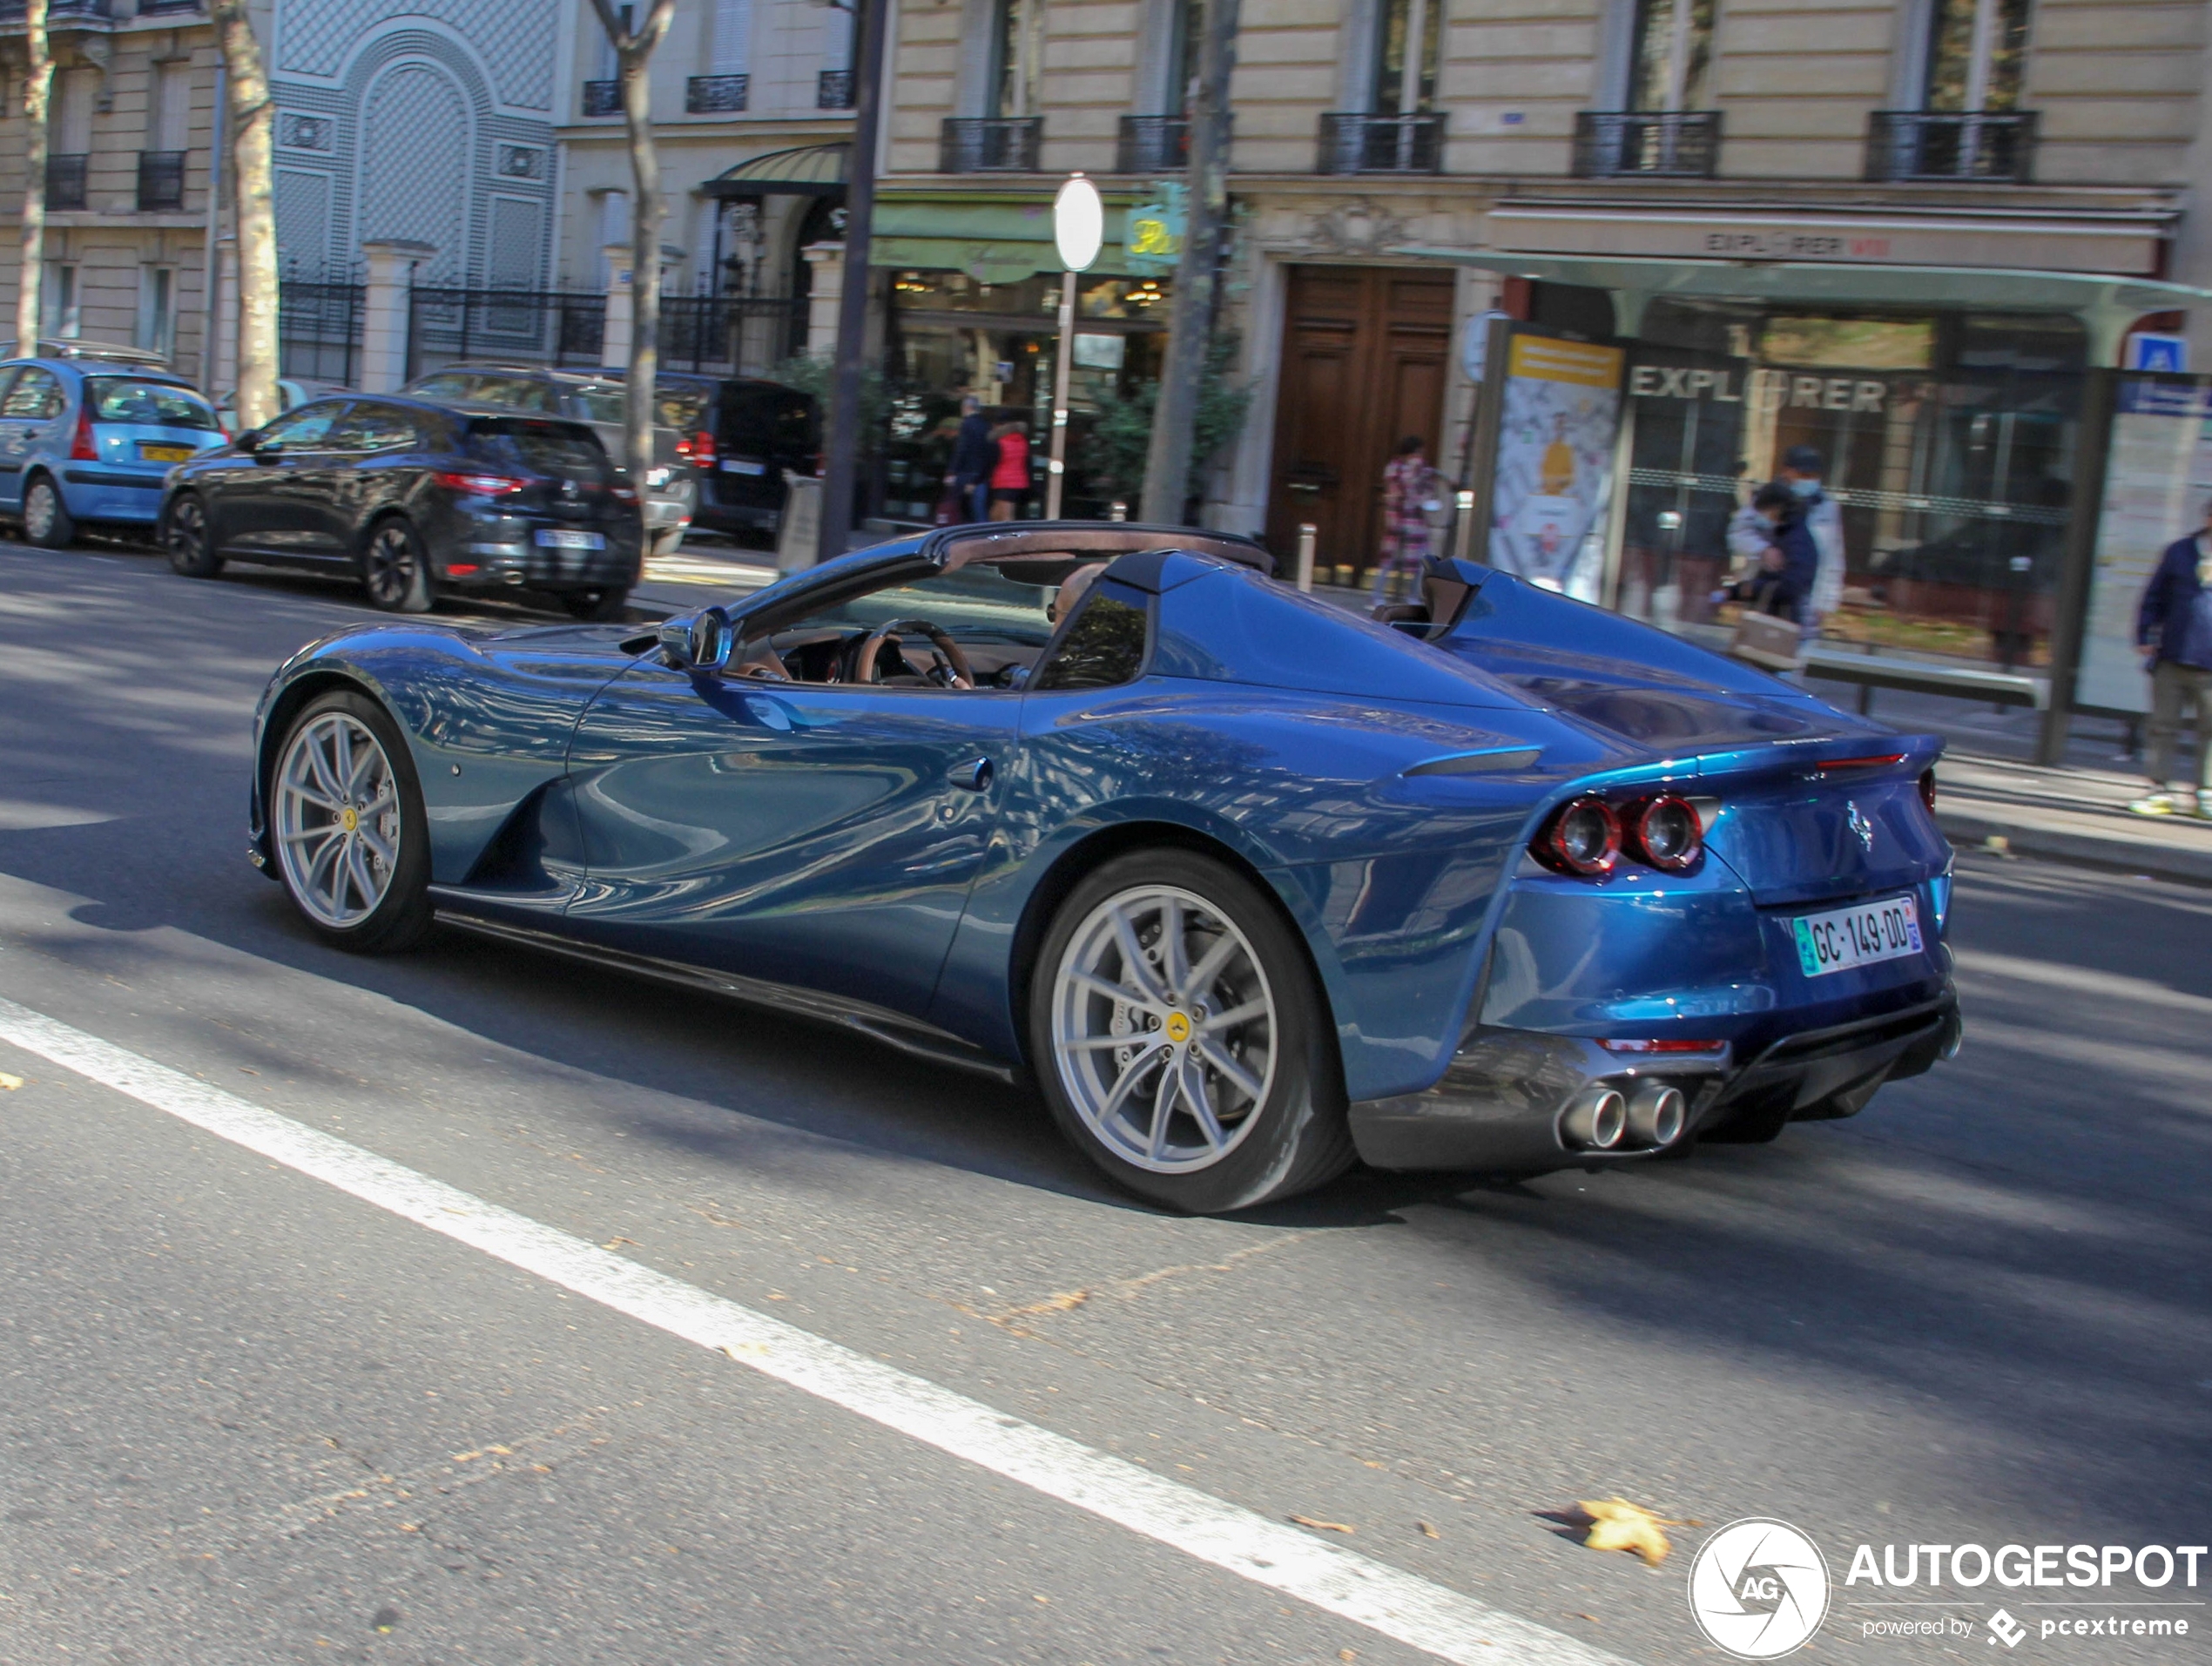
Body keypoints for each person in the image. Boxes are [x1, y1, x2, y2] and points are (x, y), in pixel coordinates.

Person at [2128, 501, 2212, 817]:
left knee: (2211, 730)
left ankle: (2206, 795)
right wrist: (2145, 635)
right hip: (2173, 657)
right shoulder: (2180, 551)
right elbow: (2154, 596)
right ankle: (2159, 790)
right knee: (2163, 727)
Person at [1712, 483, 1817, 623]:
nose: (1763, 517)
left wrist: (1744, 590)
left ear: (1776, 508)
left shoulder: (1795, 540)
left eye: (1764, 511)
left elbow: (1789, 586)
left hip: (1784, 620)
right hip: (1774, 614)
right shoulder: (1783, 533)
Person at [1778, 443, 1844, 641]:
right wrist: (1763, 550)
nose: (1809, 481)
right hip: (1773, 592)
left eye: (1813, 476)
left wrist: (1826, 601)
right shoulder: (1767, 499)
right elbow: (1740, 534)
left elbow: (1833, 556)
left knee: (1798, 657)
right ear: (1787, 472)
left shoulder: (1826, 506)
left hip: (1807, 597)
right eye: (1803, 475)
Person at [1372, 435, 1432, 602]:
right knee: (1389, 559)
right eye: (1418, 452)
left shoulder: (1418, 469)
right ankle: (1379, 594)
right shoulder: (1397, 469)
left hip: (1413, 519)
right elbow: (1403, 491)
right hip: (1401, 518)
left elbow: (1425, 489)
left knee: (1417, 559)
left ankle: (1410, 595)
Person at [944, 395, 994, 523]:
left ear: (967, 407)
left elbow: (961, 450)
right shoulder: (986, 425)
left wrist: (952, 471)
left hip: (965, 474)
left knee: (959, 511)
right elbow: (990, 452)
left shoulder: (966, 424)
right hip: (981, 476)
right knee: (979, 512)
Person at [988, 417, 1030, 522]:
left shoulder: (1000, 443)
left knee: (1004, 516)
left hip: (1004, 482)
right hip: (1018, 482)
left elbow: (993, 462)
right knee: (996, 514)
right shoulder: (1022, 442)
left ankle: (1010, 537)